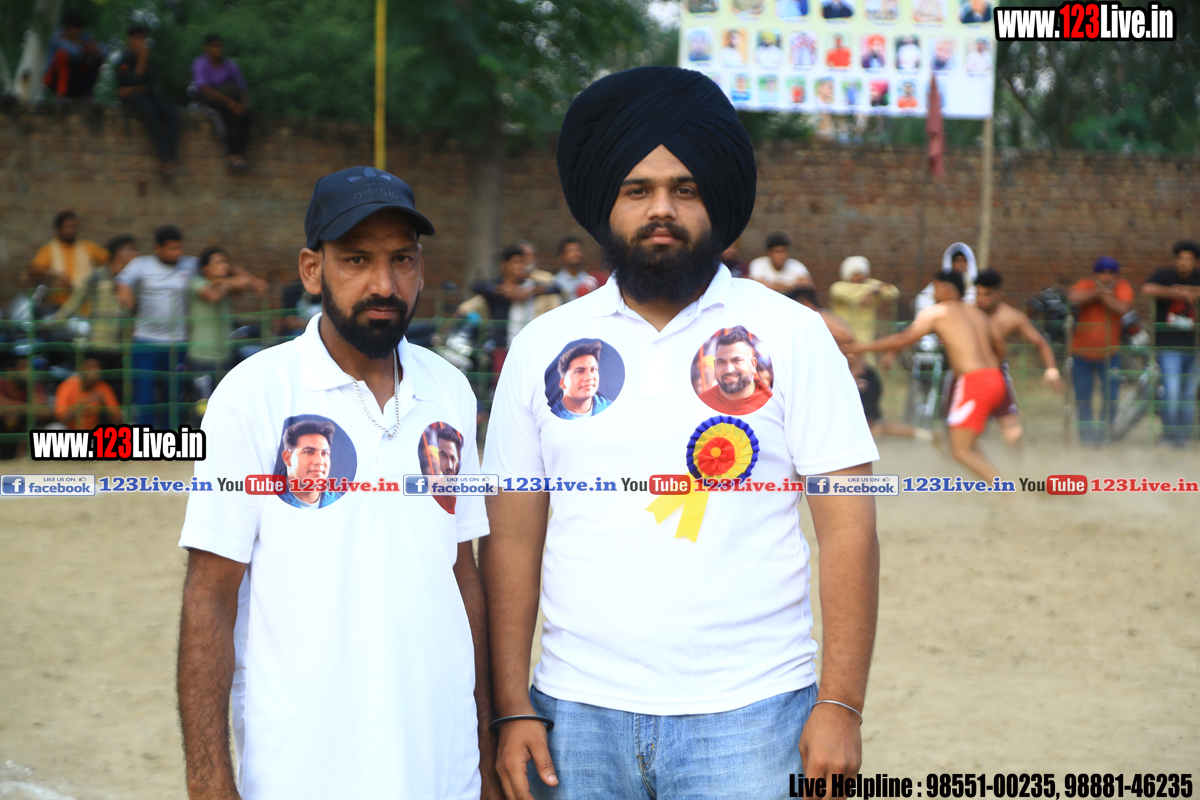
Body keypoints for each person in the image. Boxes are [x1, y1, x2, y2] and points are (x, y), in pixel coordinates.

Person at [482, 66, 879, 800]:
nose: (661, 209)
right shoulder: (542, 347)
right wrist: (511, 706)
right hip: (573, 715)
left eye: (685, 189)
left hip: (755, 714)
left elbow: (849, 529)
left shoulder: (792, 335)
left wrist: (841, 704)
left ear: (714, 202)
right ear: (606, 204)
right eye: (637, 190)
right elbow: (509, 538)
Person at [177, 166, 498, 799]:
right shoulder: (254, 395)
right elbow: (210, 596)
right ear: (311, 269)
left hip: (443, 764)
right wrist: (209, 781)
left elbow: (462, 574)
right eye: (356, 259)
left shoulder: (450, 390)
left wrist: (485, 755)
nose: (384, 284)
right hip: (304, 770)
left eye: (402, 259)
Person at [848, 270, 1004, 481]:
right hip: (995, 378)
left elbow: (904, 338)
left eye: (935, 288)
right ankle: (995, 483)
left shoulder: (937, 312)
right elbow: (1000, 347)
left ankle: (1006, 490)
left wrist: (863, 347)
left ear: (946, 290)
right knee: (967, 442)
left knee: (959, 450)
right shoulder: (977, 313)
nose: (932, 293)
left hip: (974, 382)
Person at [115, 225, 197, 427]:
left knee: (174, 394)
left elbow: (219, 264)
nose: (177, 253)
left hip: (176, 342)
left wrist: (249, 279)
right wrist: (125, 293)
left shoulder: (190, 264)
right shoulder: (141, 264)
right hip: (145, 341)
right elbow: (122, 280)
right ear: (157, 248)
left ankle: (172, 437)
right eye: (172, 248)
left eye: (179, 247)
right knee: (144, 393)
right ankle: (145, 437)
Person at [973, 268, 1065, 445]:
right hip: (969, 374)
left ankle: (1017, 463)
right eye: (978, 293)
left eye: (987, 294)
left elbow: (1040, 343)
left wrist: (1051, 369)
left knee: (1013, 431)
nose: (981, 299)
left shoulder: (1012, 317)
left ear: (999, 294)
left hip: (996, 375)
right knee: (962, 429)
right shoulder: (967, 313)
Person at [1067, 256, 1135, 446]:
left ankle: (1105, 438)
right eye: (1102, 272)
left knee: (1110, 398)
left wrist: (1101, 296)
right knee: (1083, 399)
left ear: (1116, 275)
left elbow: (1122, 307)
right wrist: (1099, 292)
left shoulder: (1122, 287)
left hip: (1110, 355)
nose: (1106, 276)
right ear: (1095, 274)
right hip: (1081, 355)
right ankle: (1087, 439)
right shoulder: (1086, 284)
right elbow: (1072, 296)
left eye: (1111, 273)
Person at [53, 234, 138, 384]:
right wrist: (53, 323)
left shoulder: (132, 280)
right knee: (94, 387)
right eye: (130, 250)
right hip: (97, 344)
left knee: (117, 390)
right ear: (119, 252)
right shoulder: (96, 276)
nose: (135, 254)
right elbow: (75, 302)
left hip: (119, 347)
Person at [1141, 239, 1200, 447]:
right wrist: (1175, 292)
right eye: (1180, 259)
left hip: (1195, 347)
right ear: (1175, 260)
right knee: (1172, 392)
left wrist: (1192, 291)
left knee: (1188, 394)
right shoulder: (1163, 275)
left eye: (1188, 260)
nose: (1184, 263)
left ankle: (1183, 438)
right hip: (1168, 347)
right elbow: (1146, 289)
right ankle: (1169, 435)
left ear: (1195, 262)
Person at [457, 245, 562, 353]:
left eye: (523, 263)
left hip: (530, 346)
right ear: (505, 264)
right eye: (516, 262)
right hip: (502, 346)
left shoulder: (530, 284)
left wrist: (532, 291)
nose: (520, 266)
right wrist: (502, 290)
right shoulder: (496, 285)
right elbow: (476, 286)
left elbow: (556, 288)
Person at [188, 246, 267, 388]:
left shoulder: (226, 285)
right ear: (206, 268)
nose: (224, 266)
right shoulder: (197, 283)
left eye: (226, 263)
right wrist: (226, 284)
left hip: (225, 356)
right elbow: (213, 296)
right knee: (203, 401)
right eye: (218, 262)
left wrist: (230, 272)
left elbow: (247, 281)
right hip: (202, 357)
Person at [116, 24, 180, 178]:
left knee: (170, 112)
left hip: (148, 95)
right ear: (130, 40)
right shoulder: (124, 60)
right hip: (134, 99)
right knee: (150, 112)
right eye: (137, 38)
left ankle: (168, 157)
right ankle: (165, 158)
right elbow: (125, 84)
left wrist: (132, 88)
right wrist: (140, 64)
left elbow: (150, 85)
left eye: (143, 38)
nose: (140, 42)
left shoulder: (150, 60)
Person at [192, 34, 252, 170]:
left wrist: (241, 106)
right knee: (223, 115)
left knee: (247, 116)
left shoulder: (230, 64)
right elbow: (204, 88)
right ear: (206, 48)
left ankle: (240, 153)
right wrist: (229, 103)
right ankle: (231, 153)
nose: (216, 50)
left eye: (218, 46)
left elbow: (243, 88)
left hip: (231, 100)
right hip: (211, 99)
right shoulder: (200, 63)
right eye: (212, 46)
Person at [30, 211, 110, 308]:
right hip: (59, 305)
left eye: (74, 227)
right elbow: (35, 269)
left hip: (85, 305)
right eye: (68, 227)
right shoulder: (49, 249)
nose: (72, 230)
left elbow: (110, 261)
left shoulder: (87, 247)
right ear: (58, 229)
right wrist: (56, 275)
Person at [829, 256, 899, 348]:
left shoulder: (872, 285)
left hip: (866, 341)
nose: (858, 277)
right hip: (844, 341)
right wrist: (875, 288)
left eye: (861, 273)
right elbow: (855, 293)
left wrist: (873, 289)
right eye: (853, 274)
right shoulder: (838, 287)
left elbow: (892, 292)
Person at [698, 329, 773, 414]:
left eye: (737, 361)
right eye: (721, 362)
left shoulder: (773, 406)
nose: (728, 370)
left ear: (753, 364)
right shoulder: (699, 406)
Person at [276, 419, 343, 509]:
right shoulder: (266, 500)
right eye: (309, 452)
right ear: (288, 458)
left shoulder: (342, 505)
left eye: (324, 453)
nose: (319, 461)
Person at [42, 11, 105, 99]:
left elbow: (103, 51)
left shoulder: (84, 35)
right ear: (67, 28)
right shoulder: (57, 36)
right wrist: (89, 47)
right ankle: (61, 94)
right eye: (76, 30)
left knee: (96, 59)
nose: (78, 33)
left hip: (74, 77)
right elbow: (74, 53)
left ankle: (85, 95)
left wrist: (80, 42)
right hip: (55, 80)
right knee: (62, 55)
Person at [0, 355, 52, 460]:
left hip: (21, 433)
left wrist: (14, 409)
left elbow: (44, 411)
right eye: (23, 367)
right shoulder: (2, 383)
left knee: (35, 421)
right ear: (11, 371)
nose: (28, 371)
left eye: (30, 367)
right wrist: (27, 407)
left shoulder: (33, 384)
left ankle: (22, 457)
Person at [54, 354, 122, 430]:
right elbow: (60, 419)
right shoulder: (67, 385)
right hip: (70, 432)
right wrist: (80, 406)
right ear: (81, 369)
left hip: (94, 432)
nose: (96, 371)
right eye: (91, 367)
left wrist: (104, 405)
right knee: (56, 428)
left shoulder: (102, 387)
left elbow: (118, 421)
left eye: (97, 367)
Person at [549, 341, 611, 419]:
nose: (589, 377)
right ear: (563, 383)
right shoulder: (548, 415)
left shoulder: (613, 409)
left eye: (593, 369)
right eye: (579, 371)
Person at [748, 232, 814, 293]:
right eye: (777, 252)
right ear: (769, 252)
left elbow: (808, 286)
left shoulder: (796, 265)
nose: (781, 256)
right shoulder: (758, 264)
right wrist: (793, 286)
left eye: (783, 251)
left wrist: (772, 284)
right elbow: (757, 287)